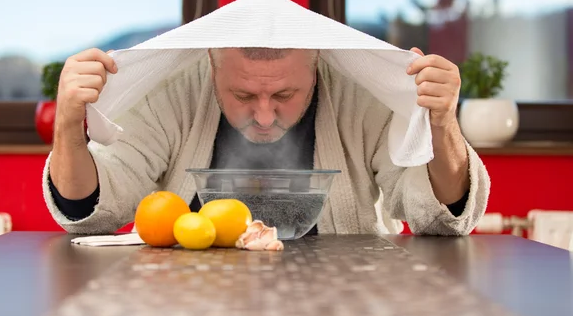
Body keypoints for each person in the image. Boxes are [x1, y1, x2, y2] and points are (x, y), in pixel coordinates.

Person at [43, 45, 489, 236]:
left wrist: (442, 123)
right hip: (186, 303)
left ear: (316, 65)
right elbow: (92, 213)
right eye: (241, 95)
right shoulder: (173, 89)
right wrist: (68, 125)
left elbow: (438, 218)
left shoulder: (361, 93)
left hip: (344, 304)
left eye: (284, 94)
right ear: (212, 65)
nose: (262, 115)